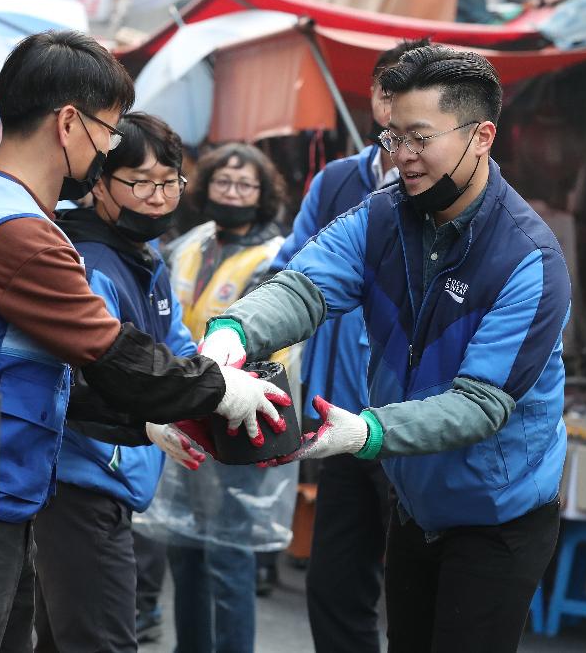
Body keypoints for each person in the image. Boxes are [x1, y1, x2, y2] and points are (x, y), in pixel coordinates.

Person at [0, 31, 292, 653]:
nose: (109, 148)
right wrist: (223, 389)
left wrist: (143, 425)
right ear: (69, 123)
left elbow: (34, 367)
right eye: (110, 131)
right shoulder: (18, 231)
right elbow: (113, 354)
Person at [194, 45, 570, 653]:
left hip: (498, 513)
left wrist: (365, 431)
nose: (401, 157)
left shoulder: (528, 258)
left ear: (481, 136)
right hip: (414, 497)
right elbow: (303, 286)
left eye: (419, 138)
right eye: (393, 137)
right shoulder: (382, 216)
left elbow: (480, 404)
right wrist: (229, 335)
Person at [268, 39, 427, 653]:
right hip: (340, 418)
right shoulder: (338, 181)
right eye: (387, 90)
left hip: (417, 424)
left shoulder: (466, 192)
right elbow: (291, 273)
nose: (394, 107)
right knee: (335, 585)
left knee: (416, 587)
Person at [33, 112, 202, 652]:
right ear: (99, 183)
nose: (158, 196)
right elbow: (87, 375)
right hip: (82, 478)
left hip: (109, 476)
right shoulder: (89, 260)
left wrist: (208, 386)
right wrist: (158, 417)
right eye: (140, 181)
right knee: (103, 639)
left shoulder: (143, 257)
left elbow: (177, 345)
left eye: (170, 181)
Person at [162, 142, 294, 653]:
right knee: (185, 547)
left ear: (262, 195)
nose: (232, 192)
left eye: (245, 185)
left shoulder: (275, 255)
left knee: (229, 554)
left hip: (243, 410)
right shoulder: (190, 242)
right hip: (183, 403)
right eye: (223, 182)